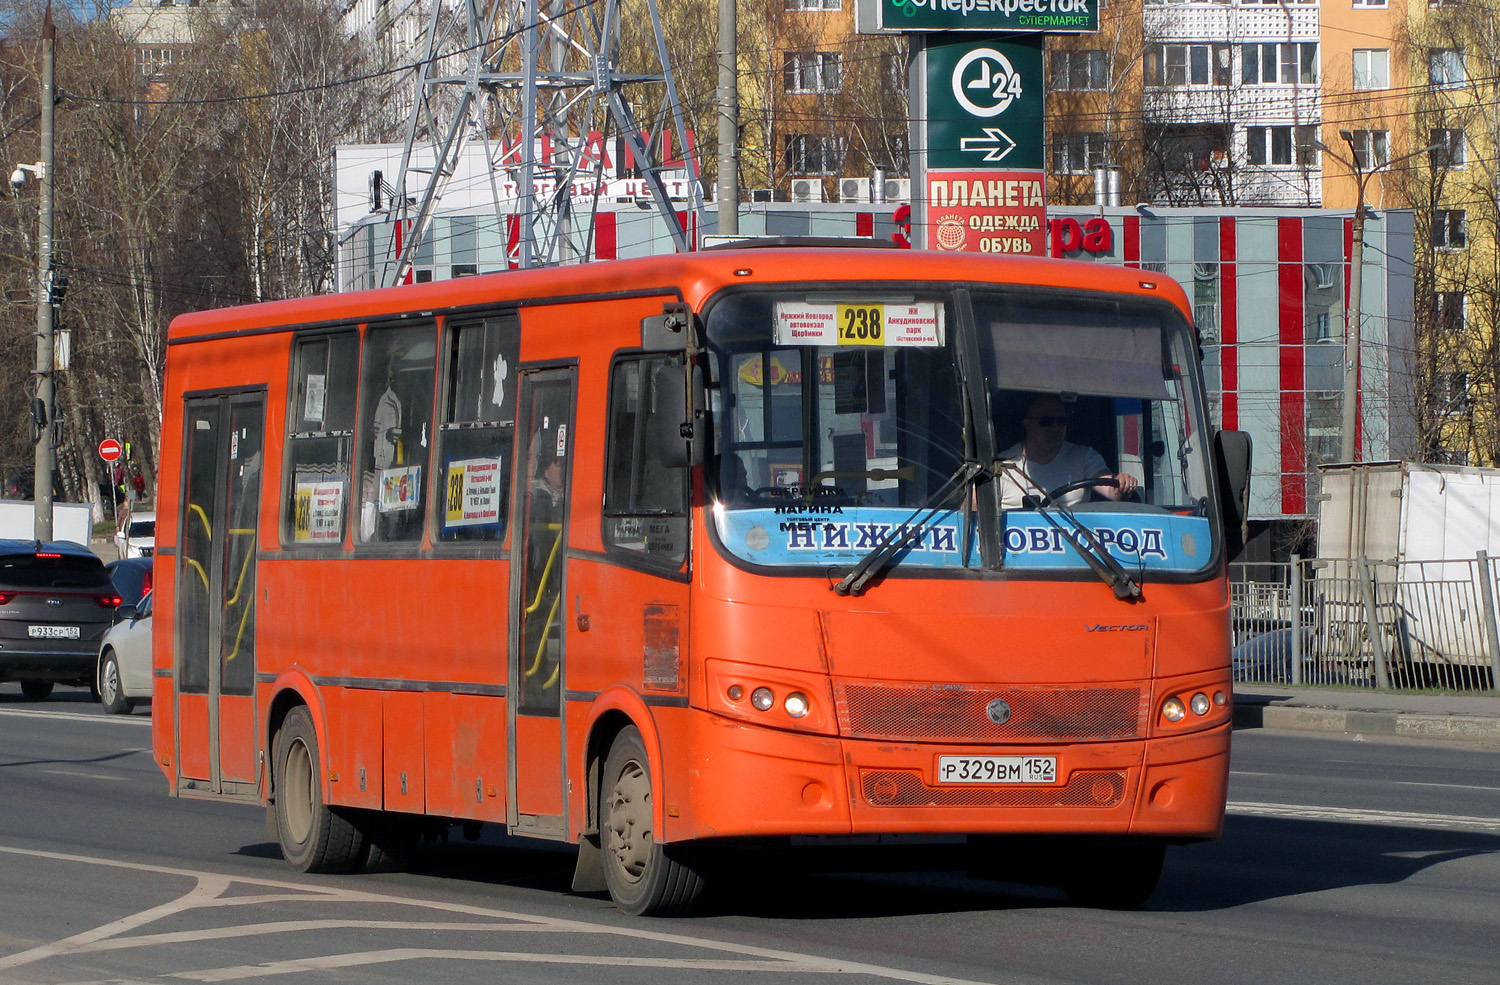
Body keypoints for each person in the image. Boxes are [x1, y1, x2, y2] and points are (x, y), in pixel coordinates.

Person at [996, 394, 1138, 509]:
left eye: (1061, 421)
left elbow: (1110, 489)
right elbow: (976, 511)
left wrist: (1121, 485)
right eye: (1046, 421)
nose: (1055, 427)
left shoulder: (1084, 457)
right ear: (1027, 423)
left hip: (1076, 541)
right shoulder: (999, 466)